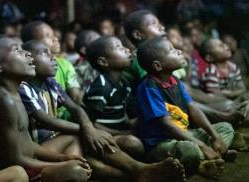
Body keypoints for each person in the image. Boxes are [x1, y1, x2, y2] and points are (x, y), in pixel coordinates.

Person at [21, 39, 185, 182]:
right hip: (38, 149)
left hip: (59, 142)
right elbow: (45, 120)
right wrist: (88, 129)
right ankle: (138, 172)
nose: (53, 58)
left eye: (52, 54)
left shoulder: (51, 83)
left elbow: (75, 108)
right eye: (45, 54)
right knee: (86, 138)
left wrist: (88, 128)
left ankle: (138, 172)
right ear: (29, 60)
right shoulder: (24, 88)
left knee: (87, 152)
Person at [0, 36, 91, 182]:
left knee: (74, 159)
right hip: (9, 174)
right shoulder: (2, 101)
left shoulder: (13, 94)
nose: (27, 53)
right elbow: (16, 160)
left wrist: (63, 158)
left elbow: (29, 145)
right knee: (74, 172)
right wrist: (62, 164)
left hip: (23, 165)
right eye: (16, 50)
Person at [136, 37, 236, 179]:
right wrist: (202, 145)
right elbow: (166, 124)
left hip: (185, 134)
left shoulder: (175, 81)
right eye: (171, 50)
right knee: (189, 149)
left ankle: (210, 156)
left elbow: (193, 108)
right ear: (158, 66)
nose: (178, 51)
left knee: (225, 128)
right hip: (162, 143)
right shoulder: (149, 88)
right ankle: (207, 159)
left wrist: (215, 136)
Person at [21, 21, 82, 120]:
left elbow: (75, 102)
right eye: (48, 36)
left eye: (54, 35)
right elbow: (76, 98)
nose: (56, 39)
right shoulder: (24, 86)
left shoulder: (62, 66)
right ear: (32, 42)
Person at [199, 38, 249, 123]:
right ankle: (238, 117)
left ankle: (243, 114)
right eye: (219, 46)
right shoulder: (211, 72)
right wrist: (234, 93)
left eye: (223, 43)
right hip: (221, 104)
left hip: (233, 101)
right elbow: (215, 97)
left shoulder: (233, 67)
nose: (224, 46)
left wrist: (230, 93)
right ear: (209, 57)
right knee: (226, 104)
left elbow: (243, 89)